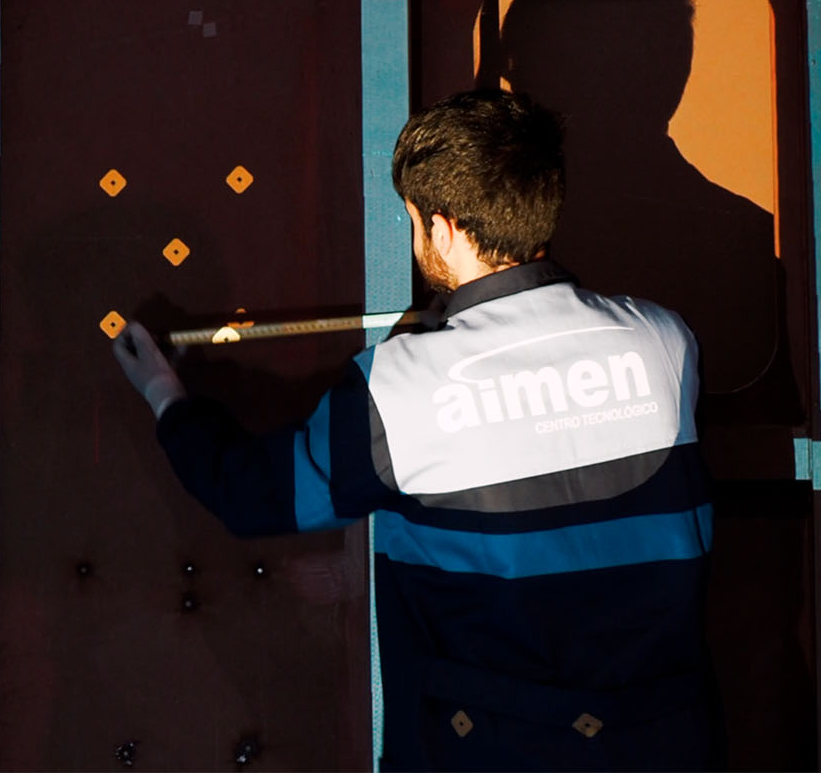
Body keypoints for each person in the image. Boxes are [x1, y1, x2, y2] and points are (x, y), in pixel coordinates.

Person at [112, 89, 718, 771]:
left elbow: (254, 497)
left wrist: (162, 392)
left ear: (445, 229)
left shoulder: (398, 387)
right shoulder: (664, 340)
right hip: (669, 746)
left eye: (413, 222)